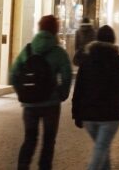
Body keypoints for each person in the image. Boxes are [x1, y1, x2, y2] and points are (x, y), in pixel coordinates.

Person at [11, 15, 73, 170]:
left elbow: (14, 74)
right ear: (55, 30)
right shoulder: (58, 52)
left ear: (39, 28)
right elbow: (67, 75)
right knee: (48, 140)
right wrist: (61, 94)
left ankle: (23, 166)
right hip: (51, 103)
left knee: (30, 138)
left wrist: (22, 93)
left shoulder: (28, 49)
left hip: (30, 104)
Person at [71, 25, 119, 170]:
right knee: (101, 148)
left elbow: (78, 90)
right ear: (113, 40)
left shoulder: (86, 62)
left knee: (102, 147)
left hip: (88, 115)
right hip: (111, 114)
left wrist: (76, 114)